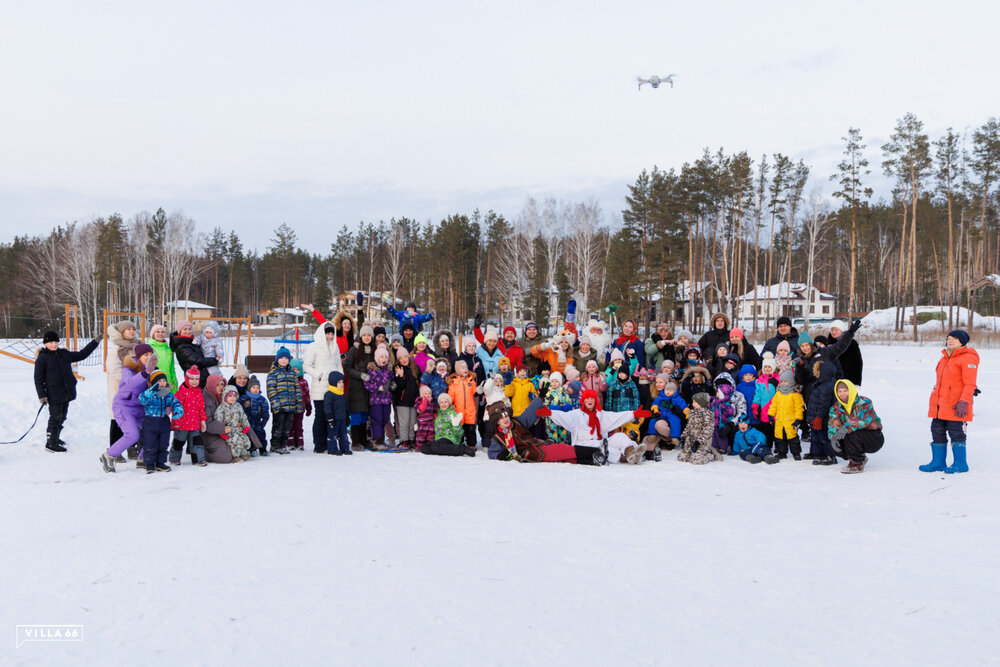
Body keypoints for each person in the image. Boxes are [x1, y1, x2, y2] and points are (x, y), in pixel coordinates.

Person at [537, 389, 652, 465]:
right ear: (584, 401)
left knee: (619, 436)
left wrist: (633, 414)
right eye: (587, 399)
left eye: (592, 398)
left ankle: (631, 452)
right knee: (600, 447)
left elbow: (615, 417)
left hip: (600, 441)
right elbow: (564, 417)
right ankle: (625, 458)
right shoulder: (576, 414)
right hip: (583, 445)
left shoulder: (600, 414)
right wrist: (551, 413)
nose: (590, 401)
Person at [34, 330, 100, 453]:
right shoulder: (43, 358)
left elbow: (82, 354)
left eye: (56, 342)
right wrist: (42, 396)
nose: (54, 344)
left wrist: (95, 342)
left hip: (66, 391)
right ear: (45, 344)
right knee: (55, 417)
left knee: (62, 416)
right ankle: (51, 443)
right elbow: (38, 379)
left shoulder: (64, 354)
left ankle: (56, 437)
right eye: (50, 342)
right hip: (53, 393)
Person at [922, 329, 978, 474]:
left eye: (954, 338)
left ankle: (960, 463)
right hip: (940, 404)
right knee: (937, 430)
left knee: (956, 432)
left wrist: (964, 401)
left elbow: (970, 384)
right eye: (948, 338)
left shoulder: (968, 358)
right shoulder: (945, 357)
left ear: (962, 342)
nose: (950, 341)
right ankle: (938, 462)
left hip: (956, 405)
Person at [102, 344, 159, 470]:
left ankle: (142, 458)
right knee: (133, 435)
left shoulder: (153, 370)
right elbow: (131, 383)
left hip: (140, 407)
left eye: (150, 355)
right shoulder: (129, 369)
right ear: (138, 357)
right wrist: (146, 372)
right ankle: (109, 455)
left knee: (154, 429)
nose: (148, 357)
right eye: (145, 355)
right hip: (124, 406)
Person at [302, 320, 344, 453]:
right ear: (322, 333)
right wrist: (318, 375)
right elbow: (306, 366)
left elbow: (338, 365)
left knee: (331, 416)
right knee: (320, 416)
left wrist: (340, 379)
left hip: (333, 388)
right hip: (319, 388)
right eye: (327, 334)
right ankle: (319, 445)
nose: (330, 337)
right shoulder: (314, 346)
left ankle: (330, 443)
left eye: (332, 334)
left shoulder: (335, 346)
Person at [829, 379, 883, 474]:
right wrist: (833, 437)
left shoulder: (865, 402)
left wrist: (846, 427)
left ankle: (857, 463)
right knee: (833, 444)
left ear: (851, 390)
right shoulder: (835, 408)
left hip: (873, 437)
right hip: (852, 436)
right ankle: (859, 456)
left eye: (845, 391)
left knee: (852, 435)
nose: (843, 394)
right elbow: (833, 423)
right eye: (840, 391)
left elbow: (863, 420)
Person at [137, 369, 185, 473]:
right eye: (159, 381)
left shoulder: (167, 394)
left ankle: (160, 463)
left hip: (164, 421)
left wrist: (177, 410)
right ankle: (149, 464)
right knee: (150, 444)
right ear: (153, 383)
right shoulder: (149, 393)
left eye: (164, 380)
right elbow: (142, 400)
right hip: (150, 421)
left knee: (163, 443)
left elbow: (175, 402)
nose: (162, 383)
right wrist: (151, 391)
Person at [106, 320, 138, 456]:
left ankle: (132, 448)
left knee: (135, 417)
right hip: (120, 389)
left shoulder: (137, 346)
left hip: (136, 388)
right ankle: (115, 449)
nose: (131, 331)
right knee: (118, 419)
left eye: (133, 329)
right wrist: (130, 382)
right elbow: (114, 370)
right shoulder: (116, 349)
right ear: (121, 332)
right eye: (128, 329)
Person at [343, 325, 377, 450]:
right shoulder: (354, 349)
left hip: (369, 389)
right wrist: (360, 374)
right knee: (356, 415)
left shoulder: (375, 349)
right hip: (356, 388)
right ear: (361, 336)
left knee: (364, 415)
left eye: (369, 335)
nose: (367, 338)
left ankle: (363, 440)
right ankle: (356, 441)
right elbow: (347, 367)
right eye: (364, 335)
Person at [169, 366, 208, 466]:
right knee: (179, 441)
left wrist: (202, 420)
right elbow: (176, 409)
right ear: (187, 379)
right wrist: (176, 422)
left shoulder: (199, 393)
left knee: (196, 442)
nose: (194, 382)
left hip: (194, 424)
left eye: (196, 379)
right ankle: (174, 459)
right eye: (191, 379)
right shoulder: (181, 393)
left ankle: (198, 459)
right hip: (182, 424)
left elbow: (201, 408)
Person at [266, 347, 299, 455]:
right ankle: (275, 445)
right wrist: (276, 405)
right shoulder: (273, 373)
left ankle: (283, 445)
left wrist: (298, 404)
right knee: (278, 427)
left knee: (286, 427)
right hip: (279, 407)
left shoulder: (292, 373)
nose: (284, 360)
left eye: (286, 358)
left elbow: (297, 389)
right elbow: (271, 390)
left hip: (290, 406)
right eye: (281, 358)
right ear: (277, 359)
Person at [170, 320, 219, 388]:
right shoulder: (181, 347)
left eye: (190, 329)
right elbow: (197, 361)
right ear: (180, 332)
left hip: (202, 378)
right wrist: (215, 360)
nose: (188, 331)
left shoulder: (191, 342)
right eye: (185, 329)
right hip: (196, 380)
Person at [768, 370, 804, 460]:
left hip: (790, 421)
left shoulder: (795, 394)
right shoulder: (778, 393)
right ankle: (782, 453)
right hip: (779, 420)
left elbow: (799, 408)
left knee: (793, 438)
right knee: (780, 438)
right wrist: (770, 415)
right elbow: (774, 405)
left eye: (785, 381)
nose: (783, 383)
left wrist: (798, 419)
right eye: (782, 381)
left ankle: (796, 453)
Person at [364, 346, 395, 450]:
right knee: (377, 420)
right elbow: (367, 384)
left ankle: (381, 439)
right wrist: (378, 388)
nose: (384, 359)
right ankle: (377, 440)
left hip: (386, 400)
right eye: (382, 357)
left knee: (385, 419)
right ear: (377, 359)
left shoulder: (389, 370)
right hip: (376, 400)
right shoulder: (372, 371)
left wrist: (393, 385)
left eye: (386, 357)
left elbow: (392, 380)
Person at [677, 393, 720, 464]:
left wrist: (698, 442)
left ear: (701, 403)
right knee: (681, 458)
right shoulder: (692, 413)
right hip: (690, 441)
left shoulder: (708, 414)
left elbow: (707, 431)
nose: (692, 404)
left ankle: (711, 455)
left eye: (695, 402)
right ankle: (692, 453)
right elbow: (688, 427)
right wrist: (683, 437)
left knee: (696, 461)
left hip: (702, 442)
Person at [391, 348, 421, 449]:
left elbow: (418, 383)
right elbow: (398, 386)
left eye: (405, 357)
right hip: (402, 400)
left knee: (412, 422)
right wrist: (401, 376)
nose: (404, 359)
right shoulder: (397, 369)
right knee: (404, 422)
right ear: (398, 359)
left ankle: (411, 439)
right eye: (401, 358)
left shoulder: (414, 368)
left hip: (413, 400)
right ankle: (404, 440)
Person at [215, 386, 252, 463]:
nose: (232, 398)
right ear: (225, 396)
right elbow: (218, 420)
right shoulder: (221, 408)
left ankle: (243, 454)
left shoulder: (238, 406)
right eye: (230, 396)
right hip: (229, 430)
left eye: (234, 396)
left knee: (244, 439)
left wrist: (245, 425)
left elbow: (243, 416)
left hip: (238, 428)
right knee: (234, 441)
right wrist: (221, 431)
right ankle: (235, 456)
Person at [448, 359, 479, 449]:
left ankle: (471, 444)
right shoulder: (453, 382)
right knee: (459, 426)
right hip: (458, 408)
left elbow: (474, 392)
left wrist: (479, 390)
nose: (465, 369)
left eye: (466, 367)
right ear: (458, 370)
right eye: (462, 368)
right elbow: (451, 394)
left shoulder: (470, 380)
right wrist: (451, 403)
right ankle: (459, 442)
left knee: (470, 427)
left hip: (470, 408)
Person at [324, 371, 351, 455]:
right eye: (339, 382)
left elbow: (345, 406)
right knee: (333, 435)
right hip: (334, 420)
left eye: (342, 382)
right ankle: (333, 449)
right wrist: (329, 418)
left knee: (343, 435)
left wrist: (347, 417)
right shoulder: (329, 394)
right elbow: (327, 407)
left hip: (342, 419)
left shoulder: (341, 393)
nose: (342, 384)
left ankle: (345, 448)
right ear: (333, 382)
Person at [829, 319, 863, 386]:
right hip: (832, 378)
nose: (834, 332)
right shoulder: (828, 343)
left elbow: (858, 363)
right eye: (832, 330)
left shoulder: (852, 343)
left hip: (848, 377)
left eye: (836, 330)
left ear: (842, 331)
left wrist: (856, 381)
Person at [287, 359, 312, 450]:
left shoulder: (303, 382)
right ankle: (291, 443)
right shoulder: (288, 381)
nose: (295, 372)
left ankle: (300, 443)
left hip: (300, 408)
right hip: (290, 408)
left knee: (298, 426)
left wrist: (308, 407)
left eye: (297, 370)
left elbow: (307, 395)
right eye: (293, 369)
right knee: (291, 425)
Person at [242, 376, 270, 456]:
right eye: (253, 387)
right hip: (247, 423)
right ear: (249, 388)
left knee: (261, 435)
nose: (255, 389)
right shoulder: (244, 398)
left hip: (258, 422)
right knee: (250, 436)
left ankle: (263, 449)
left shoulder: (262, 399)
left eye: (257, 387)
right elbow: (239, 409)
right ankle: (252, 449)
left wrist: (263, 422)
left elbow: (265, 412)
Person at [147, 324, 177, 391]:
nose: (160, 334)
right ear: (153, 334)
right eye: (157, 332)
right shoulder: (149, 347)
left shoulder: (168, 349)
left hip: (167, 382)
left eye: (162, 332)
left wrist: (174, 381)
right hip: (154, 382)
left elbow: (171, 368)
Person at [414, 385, 437, 451]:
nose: (428, 395)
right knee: (421, 435)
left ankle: (428, 446)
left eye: (429, 393)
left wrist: (435, 419)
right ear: (421, 394)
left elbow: (434, 411)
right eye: (425, 393)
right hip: (422, 422)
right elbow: (420, 409)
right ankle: (419, 446)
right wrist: (424, 401)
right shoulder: (419, 400)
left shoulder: (431, 401)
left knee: (430, 435)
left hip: (430, 422)